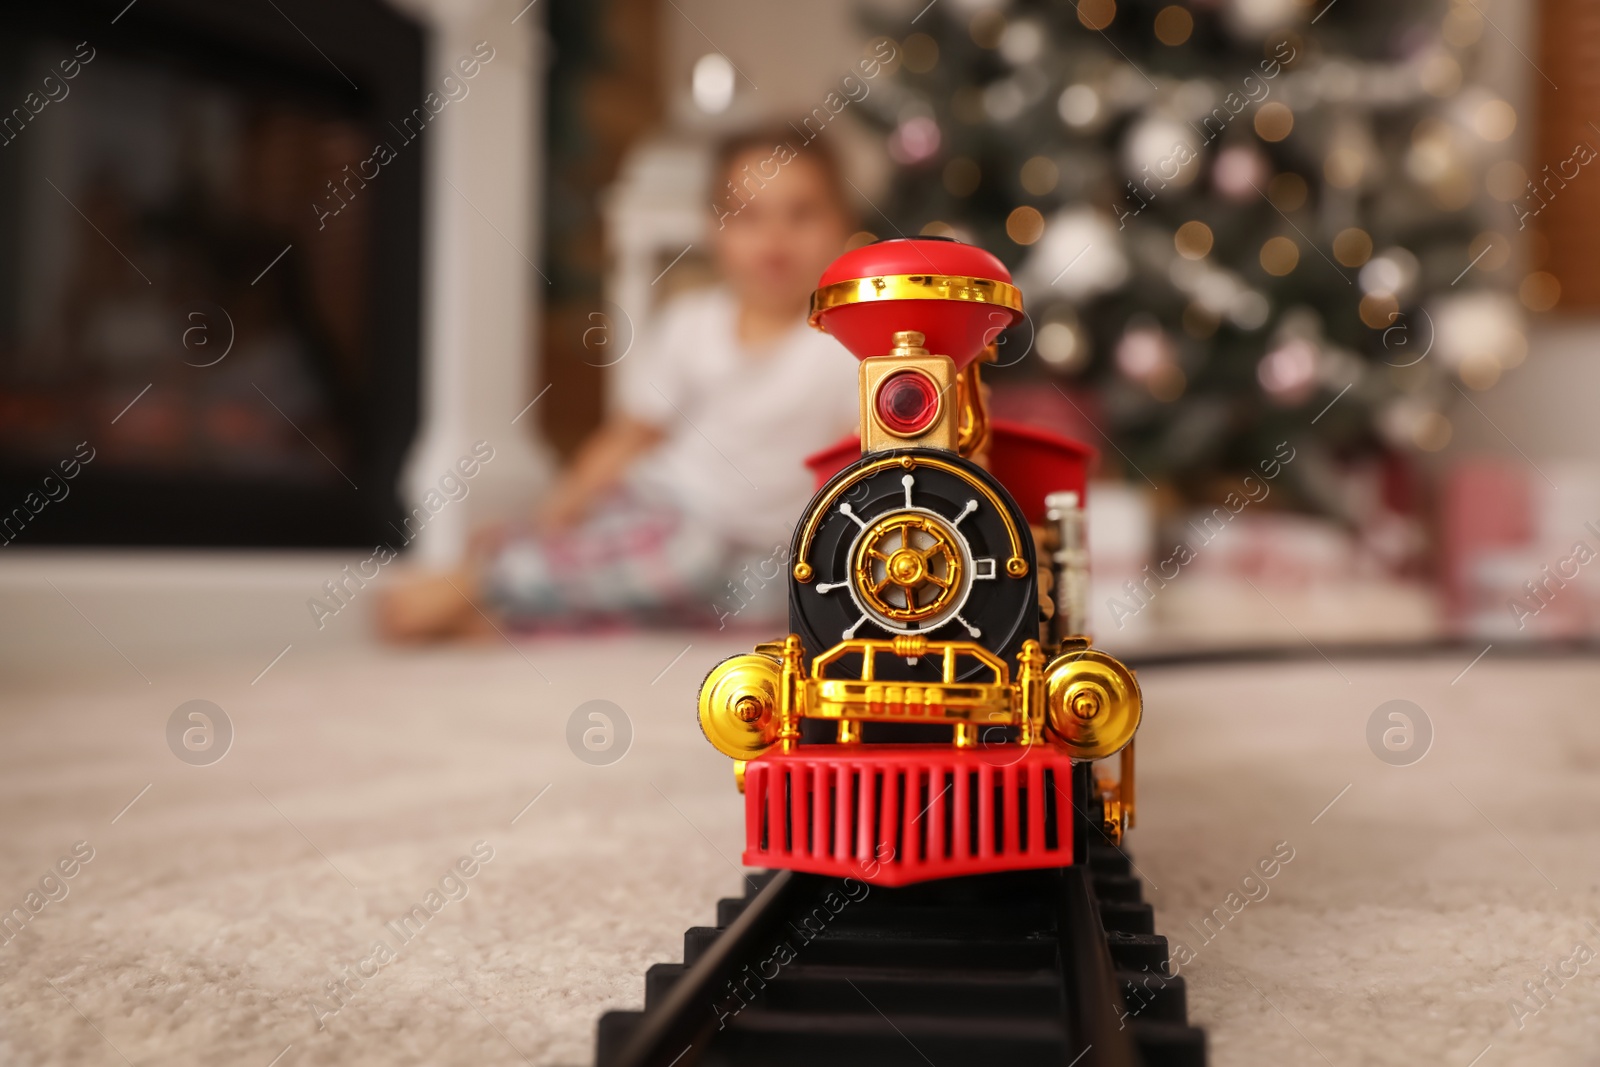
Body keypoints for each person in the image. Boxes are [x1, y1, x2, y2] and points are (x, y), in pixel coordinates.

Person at [379, 125, 861, 640]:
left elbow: (858, 463)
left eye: (801, 214)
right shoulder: (692, 324)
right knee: (677, 554)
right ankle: (483, 580)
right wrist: (552, 516)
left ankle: (511, 619)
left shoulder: (844, 347)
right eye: (749, 217)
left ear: (842, 225)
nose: (775, 239)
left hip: (753, 549)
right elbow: (627, 438)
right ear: (713, 228)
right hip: (665, 511)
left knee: (765, 604)